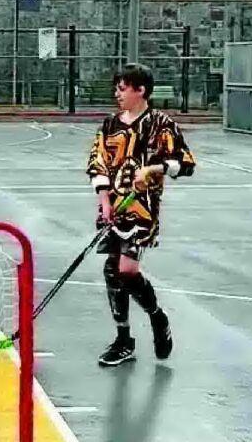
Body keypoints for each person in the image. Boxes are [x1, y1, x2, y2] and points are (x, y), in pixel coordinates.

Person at [86, 63, 196, 367]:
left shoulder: (161, 124)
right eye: (117, 88)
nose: (117, 94)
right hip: (114, 209)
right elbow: (98, 162)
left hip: (142, 210)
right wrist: (104, 200)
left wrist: (156, 168)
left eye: (123, 88)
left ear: (140, 90)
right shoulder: (110, 125)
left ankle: (157, 317)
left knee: (127, 271)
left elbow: (185, 163)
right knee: (112, 271)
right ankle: (123, 339)